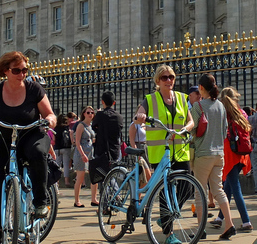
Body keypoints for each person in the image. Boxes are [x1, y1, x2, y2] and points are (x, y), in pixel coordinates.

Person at [0, 51, 56, 244]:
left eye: (25, 70)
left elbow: (49, 114)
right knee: (0, 183)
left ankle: (40, 202)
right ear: (5, 71)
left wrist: (49, 121)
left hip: (31, 134)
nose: (22, 74)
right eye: (17, 70)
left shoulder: (34, 89)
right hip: (4, 138)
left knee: (37, 153)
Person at [134, 64, 195, 244]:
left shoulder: (183, 98)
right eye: (165, 77)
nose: (169, 80)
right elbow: (138, 114)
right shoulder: (150, 99)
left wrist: (186, 128)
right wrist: (140, 117)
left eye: (171, 77)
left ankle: (165, 219)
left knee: (188, 188)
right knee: (164, 191)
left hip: (180, 150)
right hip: (160, 152)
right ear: (157, 81)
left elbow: (191, 121)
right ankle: (169, 235)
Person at [190, 73, 235, 240]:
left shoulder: (198, 106)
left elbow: (192, 130)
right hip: (219, 153)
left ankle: (201, 229)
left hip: (203, 153)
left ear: (201, 88)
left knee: (200, 190)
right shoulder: (221, 106)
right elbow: (224, 131)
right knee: (218, 190)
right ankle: (229, 224)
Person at [211, 87, 253, 233]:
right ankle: (220, 218)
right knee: (228, 187)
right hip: (242, 153)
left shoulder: (223, 113)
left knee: (234, 187)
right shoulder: (242, 113)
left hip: (229, 154)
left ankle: (246, 221)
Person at [72, 105, 97, 207]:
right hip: (81, 153)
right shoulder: (80, 125)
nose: (90, 114)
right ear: (84, 114)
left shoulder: (91, 126)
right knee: (80, 177)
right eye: (88, 112)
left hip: (90, 153)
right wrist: (82, 154)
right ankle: (77, 200)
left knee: (94, 177)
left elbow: (92, 139)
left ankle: (94, 199)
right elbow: (77, 142)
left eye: (92, 112)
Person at [93, 91, 124, 163]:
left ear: (102, 102)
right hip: (115, 148)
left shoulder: (100, 115)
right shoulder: (119, 117)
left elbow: (94, 126)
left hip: (101, 149)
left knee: (100, 172)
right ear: (114, 103)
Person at [53, 114, 73, 187]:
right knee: (66, 165)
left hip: (57, 148)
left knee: (57, 165)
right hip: (66, 148)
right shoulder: (67, 128)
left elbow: (54, 139)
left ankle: (56, 182)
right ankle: (66, 182)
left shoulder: (56, 128)